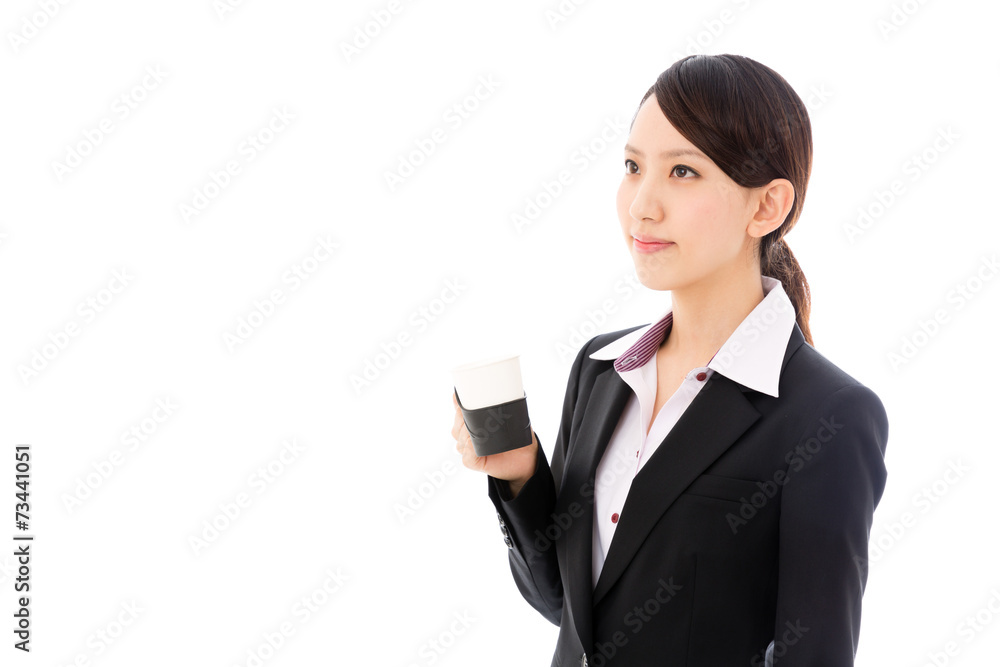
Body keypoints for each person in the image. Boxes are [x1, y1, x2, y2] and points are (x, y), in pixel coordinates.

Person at [451, 54, 889, 666]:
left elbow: (816, 654)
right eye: (632, 167)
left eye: (683, 171)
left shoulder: (829, 415)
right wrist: (521, 475)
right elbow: (573, 611)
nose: (641, 206)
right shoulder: (603, 370)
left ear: (766, 207)